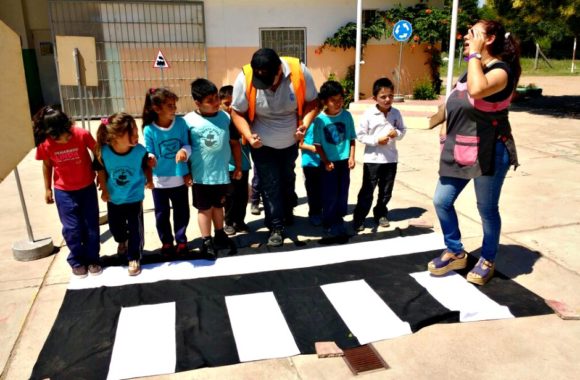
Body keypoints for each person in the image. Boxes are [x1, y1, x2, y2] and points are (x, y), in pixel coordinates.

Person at [428, 20, 521, 285]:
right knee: (441, 200)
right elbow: (454, 101)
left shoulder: (500, 71)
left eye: (473, 33)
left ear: (489, 38)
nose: (466, 36)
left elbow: (477, 89)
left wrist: (475, 54)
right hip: (459, 147)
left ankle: (488, 258)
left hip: (489, 150)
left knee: (487, 209)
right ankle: (455, 250)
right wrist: (441, 123)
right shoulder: (471, 68)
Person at [231, 48, 319, 246]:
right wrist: (248, 136)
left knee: (287, 179)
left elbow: (313, 102)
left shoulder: (299, 71)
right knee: (270, 185)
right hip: (261, 144)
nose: (267, 88)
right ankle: (275, 227)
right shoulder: (244, 78)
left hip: (290, 143)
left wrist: (304, 124)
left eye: (270, 81)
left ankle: (287, 212)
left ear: (279, 70)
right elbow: (236, 112)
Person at [33, 106, 101, 278]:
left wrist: (101, 175)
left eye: (67, 132)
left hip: (87, 188)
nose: (66, 138)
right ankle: (77, 260)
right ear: (50, 133)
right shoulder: (45, 144)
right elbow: (47, 165)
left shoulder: (81, 134)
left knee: (91, 226)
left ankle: (93, 258)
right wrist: (47, 188)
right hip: (64, 192)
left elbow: (98, 152)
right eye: (60, 136)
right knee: (72, 228)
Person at [184, 79, 242, 258]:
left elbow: (234, 143)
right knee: (204, 209)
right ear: (197, 103)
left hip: (221, 174)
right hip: (201, 177)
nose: (216, 103)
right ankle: (206, 240)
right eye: (210, 101)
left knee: (219, 206)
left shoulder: (226, 117)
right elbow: (184, 148)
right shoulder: (188, 121)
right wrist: (187, 173)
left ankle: (220, 234)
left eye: (217, 98)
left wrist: (238, 166)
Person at [95, 113, 153, 276]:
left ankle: (134, 256)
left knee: (135, 229)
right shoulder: (104, 152)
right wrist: (105, 190)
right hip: (114, 198)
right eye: (132, 133)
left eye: (136, 132)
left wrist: (149, 180)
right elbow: (99, 169)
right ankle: (122, 241)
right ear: (116, 136)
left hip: (135, 197)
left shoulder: (140, 151)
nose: (137, 136)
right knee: (115, 228)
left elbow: (146, 166)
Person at [352, 77, 406, 232]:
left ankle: (381, 213)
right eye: (383, 96)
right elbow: (360, 135)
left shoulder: (396, 113)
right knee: (367, 190)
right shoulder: (369, 114)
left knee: (386, 190)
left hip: (391, 159)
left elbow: (403, 130)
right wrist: (376, 140)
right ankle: (359, 218)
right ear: (374, 98)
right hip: (373, 160)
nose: (387, 99)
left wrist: (397, 133)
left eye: (390, 96)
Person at [142, 87, 192, 257]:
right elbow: (149, 151)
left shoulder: (180, 123)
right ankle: (167, 242)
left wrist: (184, 152)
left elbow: (187, 144)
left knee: (182, 212)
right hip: (159, 180)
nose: (174, 109)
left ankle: (182, 240)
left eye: (174, 105)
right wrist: (150, 158)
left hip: (179, 178)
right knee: (162, 214)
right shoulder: (149, 129)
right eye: (170, 106)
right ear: (156, 109)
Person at [312, 80, 356, 237]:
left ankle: (339, 219)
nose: (338, 103)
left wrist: (351, 156)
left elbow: (351, 138)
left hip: (344, 162)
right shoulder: (319, 120)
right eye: (333, 100)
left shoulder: (347, 116)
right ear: (324, 101)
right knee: (329, 194)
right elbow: (317, 145)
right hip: (328, 164)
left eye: (340, 100)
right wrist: (325, 161)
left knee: (343, 192)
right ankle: (328, 222)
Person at [220, 85, 251, 236]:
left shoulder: (243, 120)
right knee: (229, 196)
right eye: (226, 104)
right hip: (228, 166)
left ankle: (240, 221)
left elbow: (246, 142)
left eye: (233, 103)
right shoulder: (221, 121)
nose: (230, 107)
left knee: (243, 196)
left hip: (244, 165)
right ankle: (228, 222)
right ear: (220, 103)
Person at [299, 102, 323, 227]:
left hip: (322, 162)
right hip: (309, 163)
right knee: (312, 191)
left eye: (317, 109)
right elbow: (300, 144)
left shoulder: (322, 122)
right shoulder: (304, 125)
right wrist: (312, 148)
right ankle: (314, 213)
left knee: (323, 189)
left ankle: (321, 211)